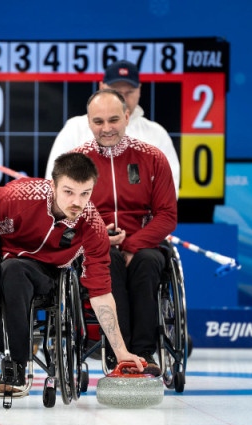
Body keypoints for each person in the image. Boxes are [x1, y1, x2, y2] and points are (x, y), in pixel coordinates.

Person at [0, 152, 145, 393]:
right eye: (68, 192)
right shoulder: (18, 195)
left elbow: (100, 292)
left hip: (38, 269)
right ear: (53, 185)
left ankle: (16, 364)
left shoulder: (92, 225)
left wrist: (121, 352)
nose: (76, 202)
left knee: (13, 270)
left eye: (85, 193)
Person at [71, 89, 177, 374]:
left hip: (144, 244)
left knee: (148, 262)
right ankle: (119, 352)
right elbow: (66, 215)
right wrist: (97, 233)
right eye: (99, 121)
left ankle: (143, 353)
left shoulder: (153, 158)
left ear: (127, 117)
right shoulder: (76, 163)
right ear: (89, 123)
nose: (106, 128)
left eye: (114, 119)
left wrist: (133, 244)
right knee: (108, 261)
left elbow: (167, 215)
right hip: (96, 246)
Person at [45, 60, 180, 196]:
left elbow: (168, 193)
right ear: (101, 87)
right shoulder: (75, 129)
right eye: (116, 91)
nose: (122, 99)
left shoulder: (157, 135)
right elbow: (54, 184)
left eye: (129, 92)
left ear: (139, 90)